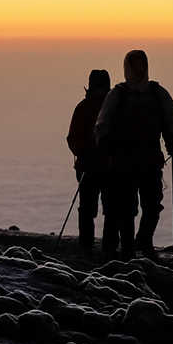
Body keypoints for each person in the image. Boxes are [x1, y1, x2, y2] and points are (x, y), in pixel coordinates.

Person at [94, 49, 173, 258]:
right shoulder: (125, 94)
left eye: (140, 64)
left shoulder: (149, 93)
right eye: (135, 65)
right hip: (128, 161)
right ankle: (131, 247)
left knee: (150, 206)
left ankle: (141, 242)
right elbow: (103, 124)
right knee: (129, 208)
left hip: (144, 160)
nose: (138, 69)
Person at [65, 69, 112, 255]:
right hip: (104, 167)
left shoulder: (83, 107)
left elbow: (72, 138)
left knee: (89, 208)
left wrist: (83, 153)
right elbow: (73, 138)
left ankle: (87, 246)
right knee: (109, 209)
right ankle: (106, 247)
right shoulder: (113, 108)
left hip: (91, 166)